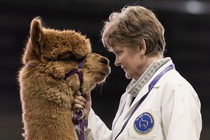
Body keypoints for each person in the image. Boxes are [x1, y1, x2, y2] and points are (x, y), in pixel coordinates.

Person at [73, 5, 202, 140]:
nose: (116, 62)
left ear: (141, 47)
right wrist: (87, 117)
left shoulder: (176, 90)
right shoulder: (129, 96)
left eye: (119, 52)